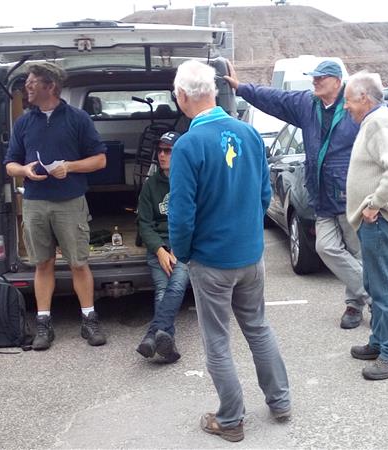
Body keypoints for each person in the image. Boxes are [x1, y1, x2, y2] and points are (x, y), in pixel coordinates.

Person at [226, 60, 388, 329]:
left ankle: (354, 305)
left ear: (337, 81)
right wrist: (242, 88)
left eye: (321, 78)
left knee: (357, 253)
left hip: (350, 194)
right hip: (320, 194)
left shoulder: (354, 104)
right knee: (326, 248)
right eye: (314, 77)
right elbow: (274, 98)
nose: (315, 81)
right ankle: (373, 295)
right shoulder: (307, 104)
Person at [169, 60, 291, 442]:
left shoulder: (188, 145)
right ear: (213, 91)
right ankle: (280, 401)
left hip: (212, 261)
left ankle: (231, 418)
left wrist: (184, 253)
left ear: (182, 96)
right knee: (258, 327)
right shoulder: (249, 133)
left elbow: (182, 215)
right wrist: (248, 233)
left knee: (217, 341)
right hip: (250, 256)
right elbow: (264, 195)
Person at [4, 63, 108, 350]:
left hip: (70, 202)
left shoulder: (77, 118)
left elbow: (100, 160)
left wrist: (69, 167)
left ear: (50, 86)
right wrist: (23, 170)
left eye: (32, 82)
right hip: (35, 203)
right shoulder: (24, 122)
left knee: (79, 263)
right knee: (43, 263)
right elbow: (10, 164)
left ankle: (89, 320)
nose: (27, 87)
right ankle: (43, 323)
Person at [342, 72, 388, 381]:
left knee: (384, 289)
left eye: (348, 100)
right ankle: (380, 342)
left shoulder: (379, 122)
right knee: (374, 285)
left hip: (380, 219)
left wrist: (375, 203)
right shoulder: (376, 120)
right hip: (376, 220)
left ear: (364, 98)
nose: (346, 106)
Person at [135, 131, 190, 363]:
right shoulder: (150, 185)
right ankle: (166, 342)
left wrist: (179, 244)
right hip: (158, 245)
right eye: (160, 150)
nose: (162, 155)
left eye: (168, 150)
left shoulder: (190, 181)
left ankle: (151, 336)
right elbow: (144, 224)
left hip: (182, 245)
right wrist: (159, 250)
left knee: (175, 286)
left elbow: (194, 218)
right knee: (162, 288)